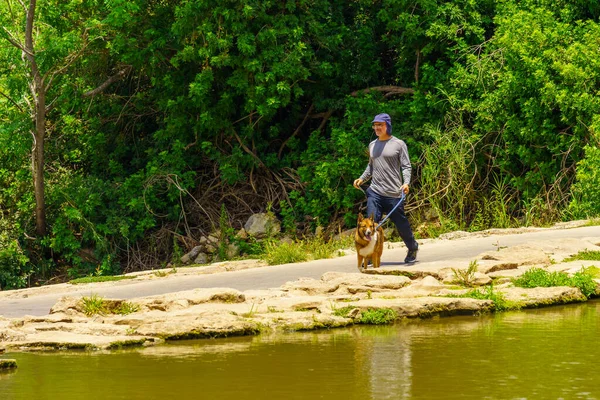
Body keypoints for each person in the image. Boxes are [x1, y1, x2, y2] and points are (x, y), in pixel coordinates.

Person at [353, 113, 419, 263]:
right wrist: (362, 178)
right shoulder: (372, 145)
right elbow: (371, 167)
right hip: (375, 192)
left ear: (387, 126)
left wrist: (406, 183)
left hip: (394, 194)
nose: (377, 128)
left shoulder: (399, 144)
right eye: (375, 125)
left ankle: (412, 247)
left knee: (401, 225)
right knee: (371, 225)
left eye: (380, 125)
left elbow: (406, 166)